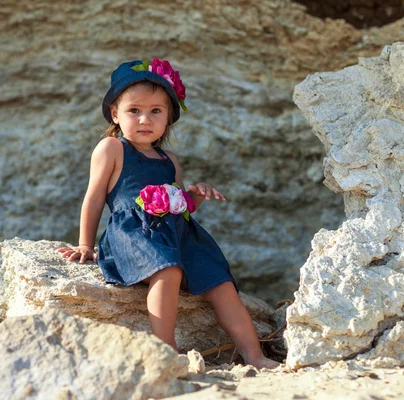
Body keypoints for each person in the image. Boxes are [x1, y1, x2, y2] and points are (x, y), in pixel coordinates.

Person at [57, 58, 279, 369]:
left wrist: (195, 196)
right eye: (134, 110)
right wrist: (85, 244)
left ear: (168, 118)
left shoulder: (169, 159)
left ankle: (254, 354)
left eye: (155, 111)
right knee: (168, 270)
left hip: (179, 232)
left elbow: (180, 206)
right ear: (115, 114)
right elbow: (94, 198)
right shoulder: (112, 148)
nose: (144, 119)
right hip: (135, 231)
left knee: (221, 283)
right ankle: (166, 349)